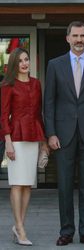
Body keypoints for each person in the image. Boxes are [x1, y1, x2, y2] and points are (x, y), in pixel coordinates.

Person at [44, 21, 84, 246]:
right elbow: (49, 102)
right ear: (68, 38)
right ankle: (66, 232)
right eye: (75, 36)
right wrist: (50, 133)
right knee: (64, 186)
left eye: (83, 36)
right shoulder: (55, 65)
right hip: (62, 135)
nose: (79, 40)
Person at [0, 47, 48, 246]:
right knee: (17, 183)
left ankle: (19, 224)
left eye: (26, 59)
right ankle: (19, 227)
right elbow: (3, 116)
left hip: (33, 136)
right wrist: (8, 142)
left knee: (27, 184)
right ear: (14, 64)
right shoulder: (7, 85)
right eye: (20, 61)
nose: (24, 63)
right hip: (16, 138)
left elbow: (39, 113)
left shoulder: (36, 84)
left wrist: (44, 143)